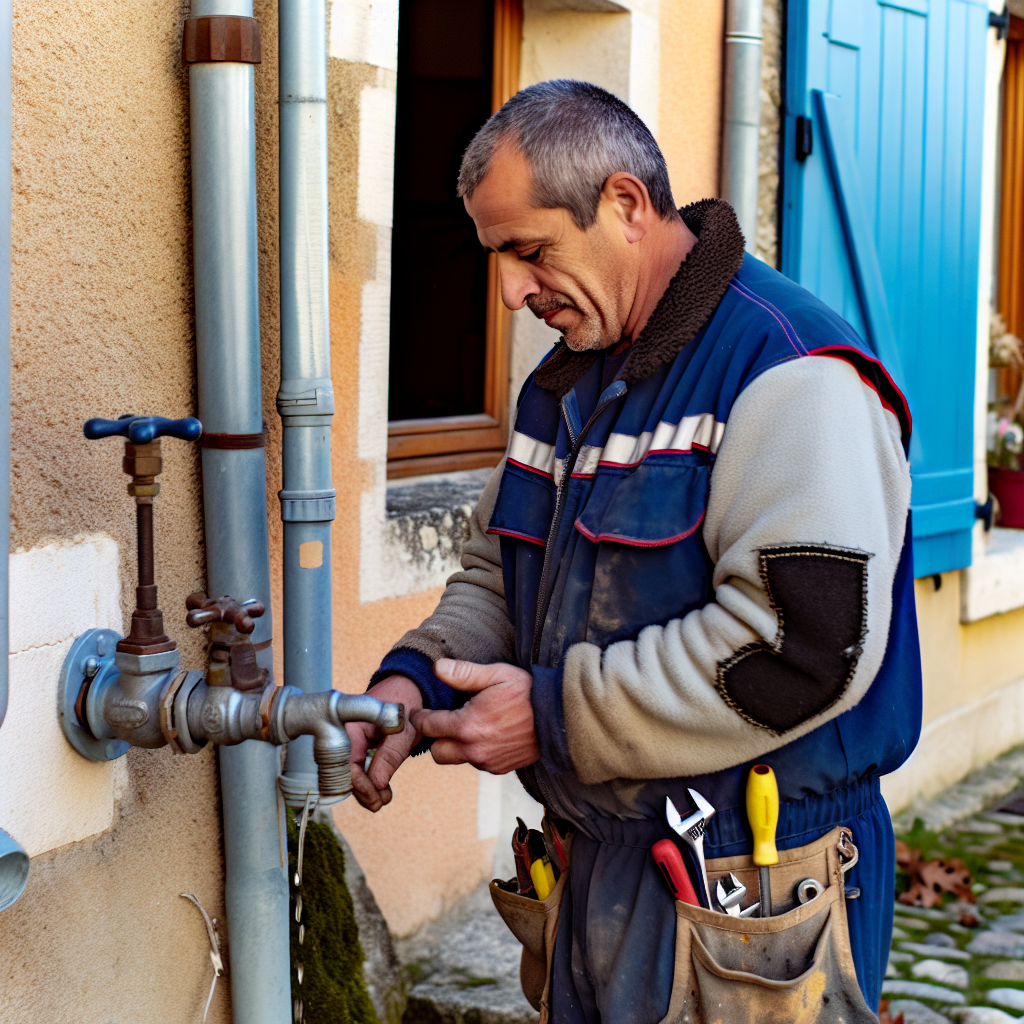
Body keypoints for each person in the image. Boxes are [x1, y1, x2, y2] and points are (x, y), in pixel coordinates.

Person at [346, 79, 921, 1022]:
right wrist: (416, 685)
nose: (511, 291)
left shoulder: (792, 373)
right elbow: (501, 572)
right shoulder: (562, 385)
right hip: (598, 865)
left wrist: (553, 715)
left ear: (624, 204)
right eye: (497, 257)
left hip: (756, 881)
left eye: (530, 251)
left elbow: (801, 650)